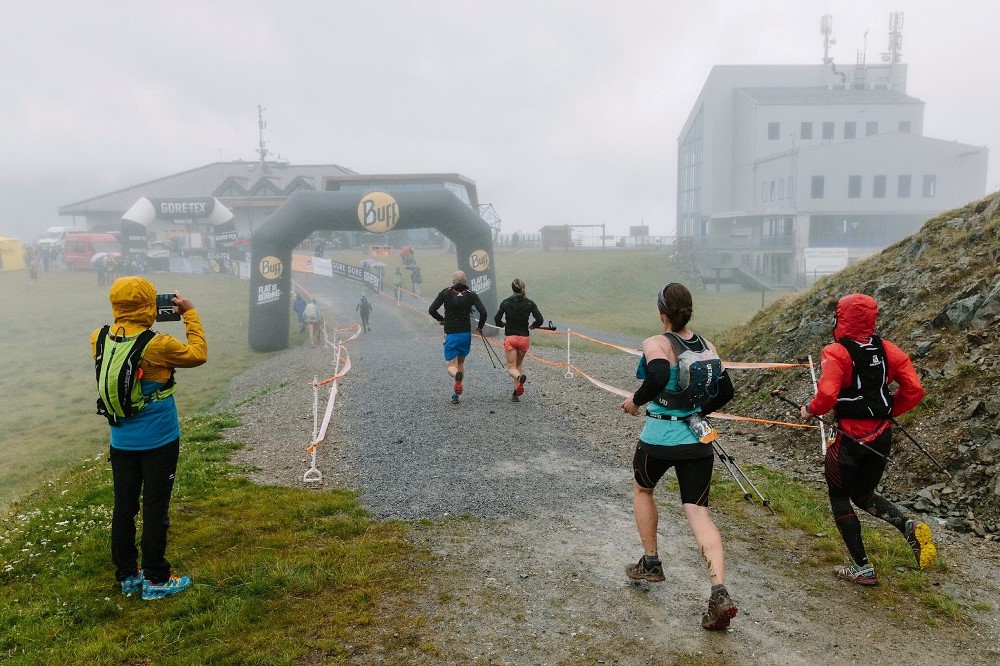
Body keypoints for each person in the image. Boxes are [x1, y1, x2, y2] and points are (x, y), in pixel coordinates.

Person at [619, 283, 738, 631]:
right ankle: (719, 591)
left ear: (663, 312)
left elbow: (657, 374)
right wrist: (699, 412)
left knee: (643, 490)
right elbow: (726, 390)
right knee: (699, 512)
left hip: (658, 437)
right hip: (696, 441)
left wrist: (635, 402)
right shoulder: (707, 345)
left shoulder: (656, 342)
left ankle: (651, 561)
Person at [800, 292, 935, 585]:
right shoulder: (889, 350)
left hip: (849, 437)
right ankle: (907, 525)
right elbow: (914, 390)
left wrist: (810, 410)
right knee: (864, 494)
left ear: (841, 318)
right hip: (881, 436)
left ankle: (862, 567)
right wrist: (886, 414)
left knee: (839, 497)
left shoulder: (836, 352)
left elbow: (827, 395)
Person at [91, 276, 207, 600]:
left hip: (121, 441)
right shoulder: (158, 344)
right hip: (159, 439)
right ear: (150, 305)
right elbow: (198, 354)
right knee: (156, 508)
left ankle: (127, 575)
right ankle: (157, 578)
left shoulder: (98, 338)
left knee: (124, 508)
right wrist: (190, 313)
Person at [428, 270, 488, 404]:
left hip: (451, 333)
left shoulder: (445, 293)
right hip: (465, 334)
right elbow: (483, 312)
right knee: (460, 362)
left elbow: (432, 309)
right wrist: (480, 327)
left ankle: (456, 377)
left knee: (451, 365)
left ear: (453, 281)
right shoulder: (471, 294)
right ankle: (456, 394)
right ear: (465, 281)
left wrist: (442, 319)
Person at [493, 278, 543, 402]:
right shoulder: (530, 303)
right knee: (519, 364)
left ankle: (519, 379)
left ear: (512, 289)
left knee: (511, 367)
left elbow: (497, 318)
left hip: (511, 337)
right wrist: (534, 325)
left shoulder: (505, 303)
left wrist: (501, 324)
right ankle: (515, 393)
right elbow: (540, 319)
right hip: (524, 338)